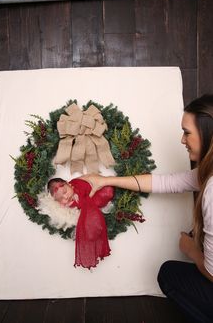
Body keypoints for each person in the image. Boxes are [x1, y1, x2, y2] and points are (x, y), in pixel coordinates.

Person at [81, 94, 213, 323]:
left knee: (169, 273)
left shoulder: (211, 187)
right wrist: (106, 181)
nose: (182, 140)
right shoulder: (206, 173)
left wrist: (191, 249)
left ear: (208, 134)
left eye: (187, 132)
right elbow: (164, 182)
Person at [48, 177, 114, 269]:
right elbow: (72, 204)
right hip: (90, 204)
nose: (66, 197)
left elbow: (87, 187)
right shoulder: (69, 202)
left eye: (65, 192)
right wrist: (66, 204)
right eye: (61, 199)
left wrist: (80, 196)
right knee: (88, 226)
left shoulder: (77, 184)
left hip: (94, 192)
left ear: (68, 184)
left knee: (107, 192)